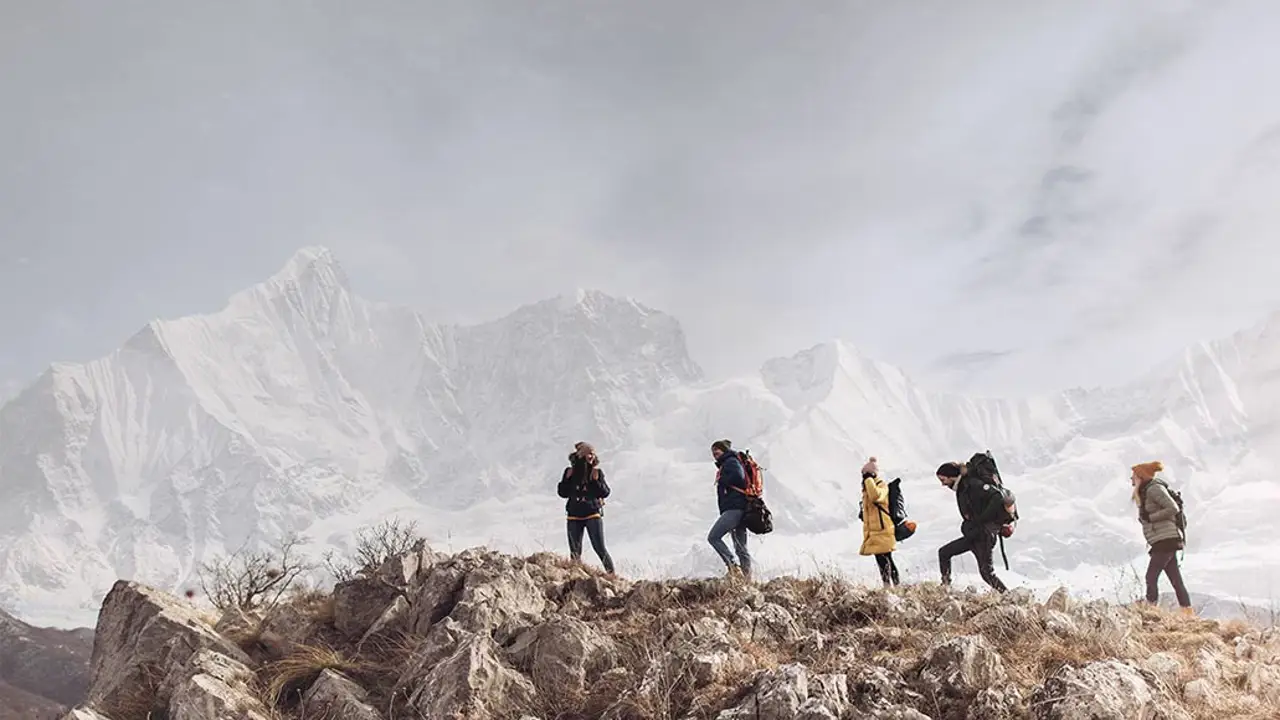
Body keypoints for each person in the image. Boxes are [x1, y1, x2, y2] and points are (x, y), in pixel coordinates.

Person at [935, 460, 1008, 593]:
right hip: (974, 535)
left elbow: (997, 497)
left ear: (951, 476)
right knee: (944, 553)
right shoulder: (963, 486)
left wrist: (980, 520)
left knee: (987, 573)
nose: (942, 484)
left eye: (943, 479)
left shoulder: (972, 484)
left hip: (984, 536)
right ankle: (945, 586)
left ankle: (1008, 596)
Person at [1132, 461, 1192, 614]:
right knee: (1176, 581)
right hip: (1162, 540)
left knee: (1151, 576)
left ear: (1140, 477)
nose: (1131, 479)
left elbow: (1173, 508)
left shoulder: (1154, 489)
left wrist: (1151, 517)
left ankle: (1151, 610)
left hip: (1166, 540)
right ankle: (1188, 614)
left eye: (1133, 476)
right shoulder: (1145, 492)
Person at [557, 441, 615, 575]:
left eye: (593, 454)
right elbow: (562, 493)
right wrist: (566, 480)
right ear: (581, 455)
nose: (591, 456)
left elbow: (605, 492)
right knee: (575, 551)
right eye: (589, 453)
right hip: (573, 515)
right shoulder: (569, 472)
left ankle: (612, 575)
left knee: (599, 548)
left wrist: (595, 481)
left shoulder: (596, 472)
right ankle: (575, 576)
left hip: (592, 514)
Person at [709, 439, 752, 579]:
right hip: (740, 508)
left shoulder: (730, 461)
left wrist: (723, 480)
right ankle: (747, 579)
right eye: (713, 451)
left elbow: (739, 477)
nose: (714, 453)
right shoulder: (730, 462)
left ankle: (733, 567)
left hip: (734, 509)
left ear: (724, 450)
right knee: (740, 547)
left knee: (714, 537)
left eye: (717, 450)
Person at [858, 457, 899, 587]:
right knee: (881, 560)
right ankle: (888, 585)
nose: (864, 477)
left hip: (883, 529)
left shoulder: (881, 485)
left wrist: (869, 479)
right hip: (875, 531)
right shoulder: (868, 489)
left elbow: (875, 496)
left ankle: (894, 586)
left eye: (866, 474)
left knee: (887, 559)